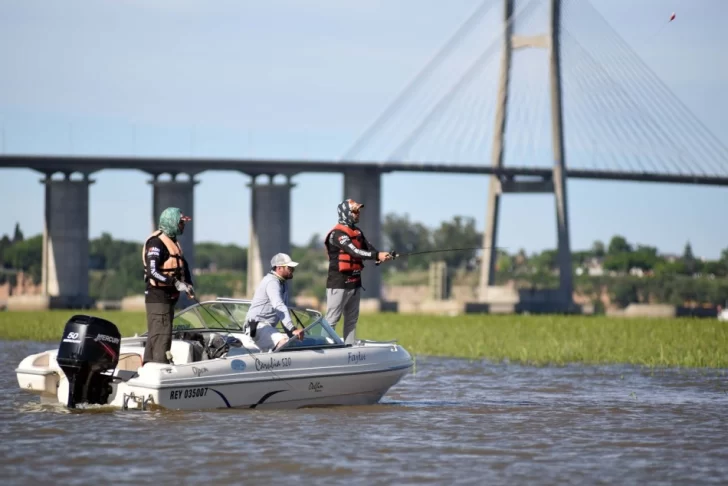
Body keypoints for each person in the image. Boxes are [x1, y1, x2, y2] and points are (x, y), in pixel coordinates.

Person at [324, 199, 393, 345]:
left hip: (355, 283)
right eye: (355, 211)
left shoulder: (357, 232)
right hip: (339, 283)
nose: (358, 214)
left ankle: (350, 347)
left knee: (352, 319)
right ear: (345, 213)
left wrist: (380, 256)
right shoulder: (337, 234)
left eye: (359, 211)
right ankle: (324, 347)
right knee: (332, 319)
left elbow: (368, 248)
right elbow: (354, 252)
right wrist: (375, 256)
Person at [141, 207, 195, 364]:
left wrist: (188, 284)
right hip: (158, 297)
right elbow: (152, 272)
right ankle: (159, 369)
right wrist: (175, 283)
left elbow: (183, 266)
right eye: (181, 223)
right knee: (162, 338)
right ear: (171, 223)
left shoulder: (173, 242)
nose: (183, 226)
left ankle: (149, 366)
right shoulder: (156, 243)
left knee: (157, 335)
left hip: (168, 298)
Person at [243, 252, 305, 352]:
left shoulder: (282, 284)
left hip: (266, 327)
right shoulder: (272, 282)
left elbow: (283, 313)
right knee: (283, 343)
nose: (292, 270)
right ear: (279, 268)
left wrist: (292, 334)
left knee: (292, 343)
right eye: (289, 268)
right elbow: (279, 306)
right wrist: (293, 329)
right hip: (257, 326)